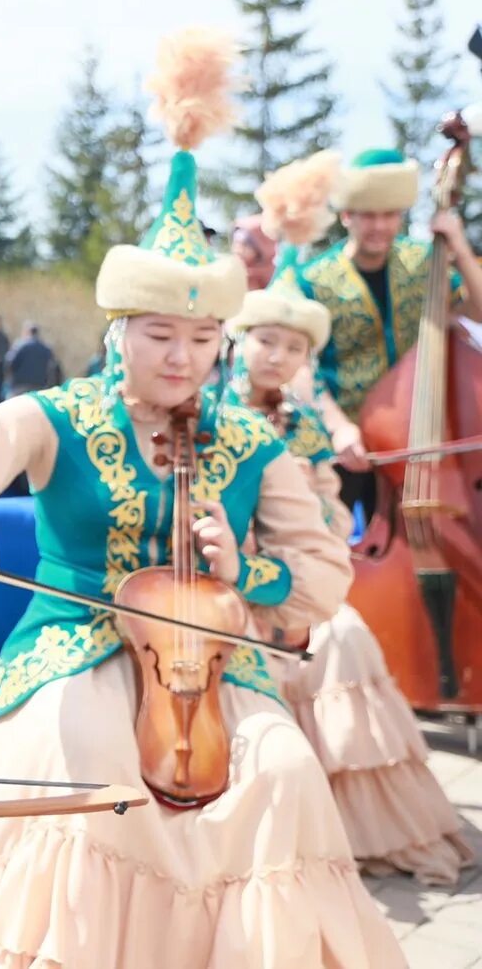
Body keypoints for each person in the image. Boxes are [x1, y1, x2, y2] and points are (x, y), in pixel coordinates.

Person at [0, 27, 401, 968]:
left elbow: (322, 571)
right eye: (159, 337)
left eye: (201, 341)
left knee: (284, 771)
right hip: (68, 643)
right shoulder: (56, 413)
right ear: (118, 333)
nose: (183, 361)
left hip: (212, 662)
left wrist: (243, 568)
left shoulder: (252, 440)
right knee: (89, 767)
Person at [228, 286, 474, 887]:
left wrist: (304, 549)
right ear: (239, 341)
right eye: (266, 341)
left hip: (290, 573)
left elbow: (332, 514)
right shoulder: (205, 410)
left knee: (344, 636)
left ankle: (352, 828)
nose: (277, 357)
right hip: (224, 579)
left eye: (294, 348)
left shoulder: (304, 424)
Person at [275, 147, 482, 518]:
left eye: (390, 215)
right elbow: (300, 367)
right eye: (368, 216)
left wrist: (460, 248)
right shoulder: (314, 280)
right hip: (348, 444)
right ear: (346, 216)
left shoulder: (424, 262)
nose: (380, 227)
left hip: (421, 439)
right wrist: (338, 427)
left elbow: (478, 312)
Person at [3, 320, 60, 396]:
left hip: (20, 386)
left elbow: (9, 363)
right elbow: (53, 368)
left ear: (26, 332)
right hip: (40, 387)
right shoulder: (46, 348)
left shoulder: (19, 346)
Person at [232, 213, 278, 290]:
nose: (238, 249)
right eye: (236, 243)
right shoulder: (231, 274)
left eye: (245, 244)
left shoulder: (275, 278)